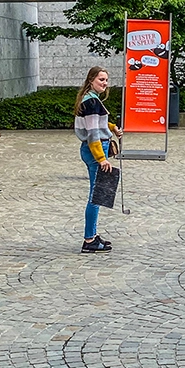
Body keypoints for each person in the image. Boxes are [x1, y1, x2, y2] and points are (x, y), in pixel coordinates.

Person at [75, 66, 122, 253]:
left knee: (97, 194)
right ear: (91, 79)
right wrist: (102, 158)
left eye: (106, 80)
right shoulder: (92, 102)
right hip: (95, 149)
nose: (105, 83)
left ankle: (92, 235)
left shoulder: (89, 99)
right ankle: (89, 240)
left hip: (91, 149)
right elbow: (93, 133)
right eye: (101, 79)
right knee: (96, 196)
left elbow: (97, 124)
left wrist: (112, 128)